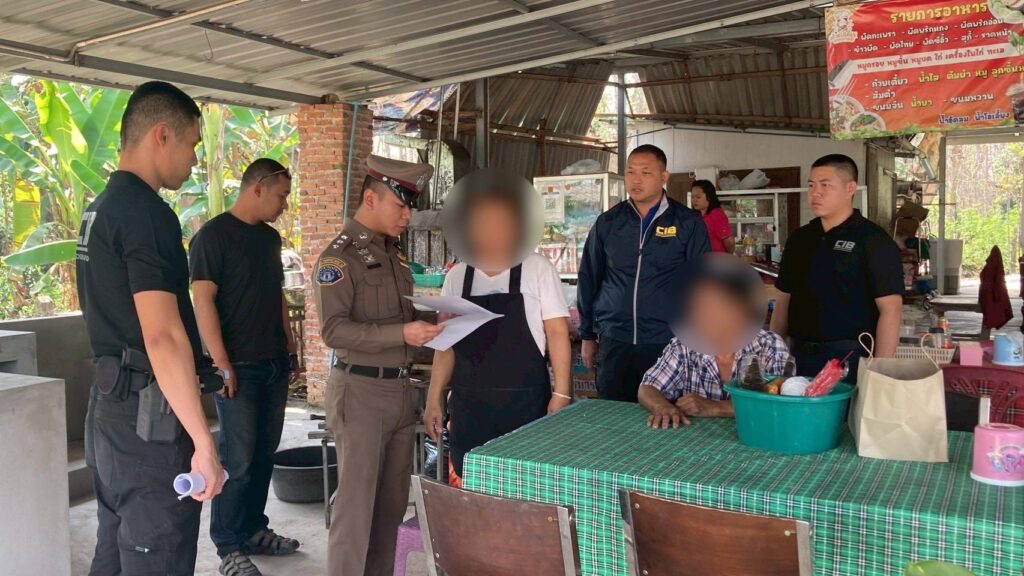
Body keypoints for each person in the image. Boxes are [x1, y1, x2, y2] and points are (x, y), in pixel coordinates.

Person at [76, 81, 225, 575]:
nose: (195, 160)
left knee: (115, 552)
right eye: (192, 144)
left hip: (108, 412)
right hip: (147, 420)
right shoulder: (146, 214)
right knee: (156, 553)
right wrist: (203, 443)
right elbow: (162, 336)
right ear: (162, 135)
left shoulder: (100, 208)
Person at [315, 155, 442, 576]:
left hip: (400, 393)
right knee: (355, 514)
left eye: (409, 208)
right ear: (371, 199)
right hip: (361, 394)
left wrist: (435, 323)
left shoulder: (394, 256)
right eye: (400, 206)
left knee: (390, 510)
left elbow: (401, 317)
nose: (407, 216)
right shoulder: (339, 259)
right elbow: (334, 331)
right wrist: (402, 333)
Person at [422, 171, 572, 487]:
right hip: (469, 405)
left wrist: (561, 393)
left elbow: (557, 333)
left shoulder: (537, 269)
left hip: (526, 403)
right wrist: (434, 397)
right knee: (472, 487)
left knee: (525, 488)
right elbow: (445, 345)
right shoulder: (457, 277)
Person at [189, 158, 300, 576]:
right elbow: (203, 301)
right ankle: (228, 547)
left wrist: (290, 346)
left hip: (273, 363)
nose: (284, 204)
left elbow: (276, 295)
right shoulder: (212, 237)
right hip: (238, 367)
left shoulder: (269, 239)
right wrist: (221, 364)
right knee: (237, 461)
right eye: (281, 195)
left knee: (263, 455)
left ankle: (254, 529)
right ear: (258, 188)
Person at [577, 144, 711, 402]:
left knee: (666, 413)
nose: (636, 180)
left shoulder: (687, 223)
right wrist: (587, 335)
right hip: (615, 339)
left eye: (645, 172)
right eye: (630, 172)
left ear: (664, 177)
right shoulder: (608, 222)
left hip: (668, 342)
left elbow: (702, 283)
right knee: (613, 413)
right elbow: (589, 277)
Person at [770, 154, 903, 382]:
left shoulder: (872, 240)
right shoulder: (800, 239)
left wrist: (879, 372)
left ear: (850, 188)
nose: (815, 193)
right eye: (811, 185)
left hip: (850, 358)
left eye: (825, 185)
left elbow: (891, 310)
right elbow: (783, 300)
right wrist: (774, 354)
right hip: (799, 356)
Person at [639, 255, 788, 428]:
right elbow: (648, 388)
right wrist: (663, 407)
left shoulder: (770, 346)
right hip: (696, 439)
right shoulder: (684, 346)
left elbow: (778, 402)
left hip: (757, 436)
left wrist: (715, 407)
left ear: (740, 309)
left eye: (712, 306)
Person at [691, 179, 735, 254]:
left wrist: (726, 257)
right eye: (692, 197)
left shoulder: (716, 214)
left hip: (717, 259)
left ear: (709, 197)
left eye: (698, 197)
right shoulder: (696, 216)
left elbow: (730, 242)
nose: (694, 200)